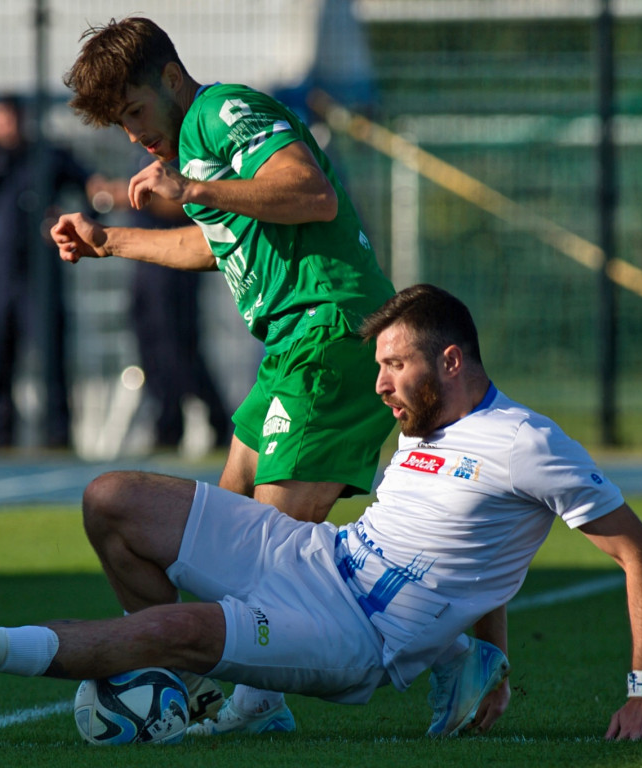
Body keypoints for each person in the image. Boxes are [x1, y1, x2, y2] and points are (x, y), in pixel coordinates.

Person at [0, 284, 642, 742]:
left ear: (451, 360)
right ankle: (214, 694)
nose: (380, 385)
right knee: (113, 499)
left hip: (354, 637)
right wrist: (486, 654)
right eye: (378, 367)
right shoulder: (419, 430)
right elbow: (472, 552)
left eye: (394, 365)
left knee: (179, 632)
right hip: (310, 555)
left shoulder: (528, 443)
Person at [49, 17, 400, 730]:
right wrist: (109, 240)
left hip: (330, 332)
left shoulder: (222, 111)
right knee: (202, 529)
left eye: (136, 112)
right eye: (120, 123)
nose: (135, 135)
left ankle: (435, 649)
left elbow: (310, 193)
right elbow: (216, 248)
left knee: (261, 560)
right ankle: (212, 681)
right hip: (291, 350)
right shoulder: (199, 145)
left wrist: (194, 188)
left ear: (172, 81)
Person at [0, 95, 92, 450]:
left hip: (41, 278)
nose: (3, 127)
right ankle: (1, 442)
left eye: (7, 119)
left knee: (51, 360)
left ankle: (58, 439)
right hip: (1, 278)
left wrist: (71, 219)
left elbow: (92, 187)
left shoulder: (47, 155)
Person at [90, 170, 232, 452]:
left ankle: (192, 422)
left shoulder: (180, 150)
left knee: (178, 349)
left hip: (174, 272)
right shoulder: (145, 147)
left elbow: (193, 206)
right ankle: (171, 423)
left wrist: (132, 199)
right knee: (152, 350)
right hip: (145, 269)